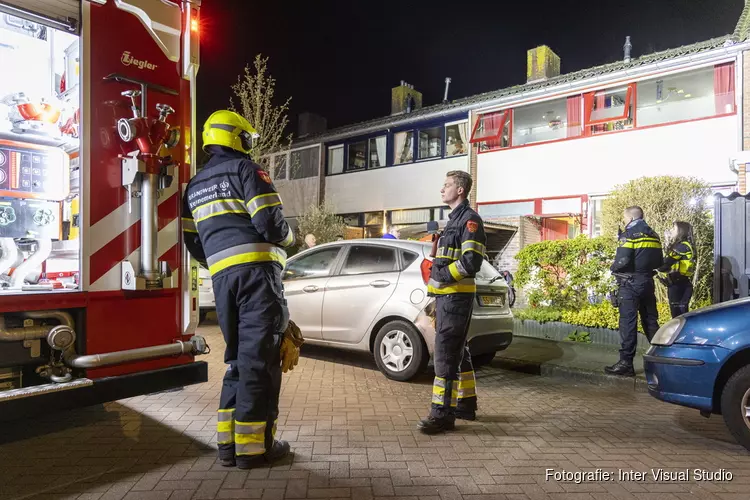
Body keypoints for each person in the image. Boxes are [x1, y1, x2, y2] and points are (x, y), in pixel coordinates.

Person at [181, 110, 298, 469]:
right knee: (260, 362)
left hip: (222, 279)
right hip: (257, 278)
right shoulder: (248, 170)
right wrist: (288, 239)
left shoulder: (194, 185)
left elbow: (192, 241)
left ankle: (229, 447)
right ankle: (255, 449)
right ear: (237, 138)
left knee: (235, 361)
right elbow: (269, 222)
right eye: (248, 138)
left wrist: (221, 263)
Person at [418, 170, 486, 434]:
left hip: (456, 296)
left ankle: (442, 416)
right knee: (459, 351)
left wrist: (443, 277)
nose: (441, 189)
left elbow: (471, 262)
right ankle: (466, 404)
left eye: (446, 185)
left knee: (445, 356)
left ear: (460, 190)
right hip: (447, 298)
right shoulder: (454, 222)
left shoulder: (470, 221)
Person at [606, 206, 663, 377]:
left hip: (629, 284)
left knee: (628, 324)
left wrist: (612, 267)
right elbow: (659, 261)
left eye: (624, 218)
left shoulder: (628, 235)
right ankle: (661, 360)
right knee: (651, 322)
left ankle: (626, 363)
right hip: (647, 282)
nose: (624, 221)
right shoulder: (654, 235)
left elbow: (622, 261)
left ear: (630, 218)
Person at [658, 221, 696, 318]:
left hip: (678, 285)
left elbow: (665, 263)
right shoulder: (685, 245)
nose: (671, 231)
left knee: (678, 317)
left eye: (673, 229)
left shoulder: (682, 246)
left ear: (681, 231)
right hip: (681, 283)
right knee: (681, 315)